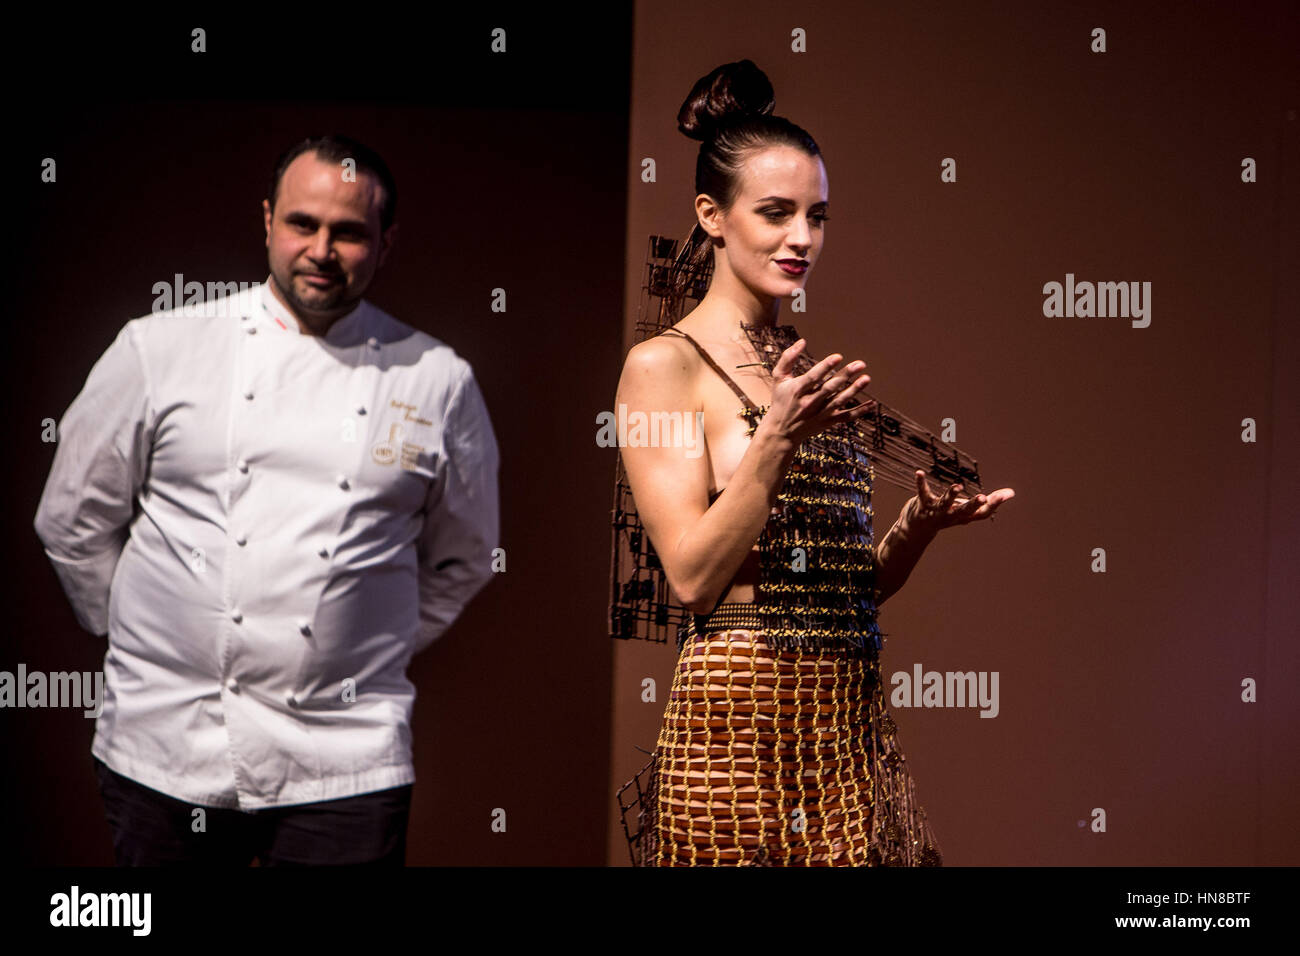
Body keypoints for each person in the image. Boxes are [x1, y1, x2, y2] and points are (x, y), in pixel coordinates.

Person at [33, 134, 500, 866]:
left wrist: (366, 646)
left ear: (387, 243)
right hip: (165, 742)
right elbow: (72, 518)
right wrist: (138, 637)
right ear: (266, 221)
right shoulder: (161, 346)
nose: (321, 249)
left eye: (348, 232)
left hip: (346, 752)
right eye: (302, 224)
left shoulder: (437, 379)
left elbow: (465, 557)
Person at [614, 61, 1014, 866]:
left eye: (817, 216)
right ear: (712, 216)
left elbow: (839, 588)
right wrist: (774, 442)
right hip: (735, 732)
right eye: (776, 213)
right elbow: (691, 578)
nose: (802, 238)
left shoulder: (800, 370)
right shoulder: (664, 366)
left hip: (843, 722)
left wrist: (916, 527)